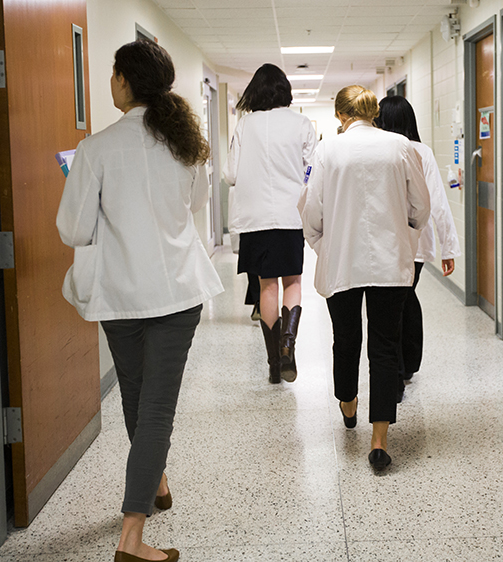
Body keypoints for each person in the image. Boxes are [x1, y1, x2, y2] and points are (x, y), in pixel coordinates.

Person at [56, 40, 223, 562]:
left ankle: (149, 494)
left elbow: (72, 229)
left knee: (136, 398)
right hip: (176, 292)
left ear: (126, 82)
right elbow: (193, 206)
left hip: (121, 296)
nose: (110, 82)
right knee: (155, 410)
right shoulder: (183, 143)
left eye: (113, 74)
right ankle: (133, 534)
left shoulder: (95, 148)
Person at [300, 85, 430, 470]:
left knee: (346, 338)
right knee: (386, 345)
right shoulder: (400, 146)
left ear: (341, 116)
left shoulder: (328, 150)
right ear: (373, 113)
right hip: (390, 261)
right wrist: (405, 231)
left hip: (341, 258)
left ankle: (349, 401)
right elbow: (420, 206)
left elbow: (312, 208)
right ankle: (380, 437)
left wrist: (323, 243)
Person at [224, 63, 317, 384]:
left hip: (255, 219)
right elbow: (312, 170)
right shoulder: (301, 123)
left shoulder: (244, 125)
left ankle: (273, 364)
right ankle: (289, 346)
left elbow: (230, 175)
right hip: (291, 215)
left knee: (267, 285)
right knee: (293, 283)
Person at [376, 96, 461, 398]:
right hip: (417, 243)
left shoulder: (379, 151)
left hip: (386, 242)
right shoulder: (421, 151)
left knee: (395, 303)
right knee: (406, 296)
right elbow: (436, 202)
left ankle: (400, 368)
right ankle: (407, 364)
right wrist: (447, 248)